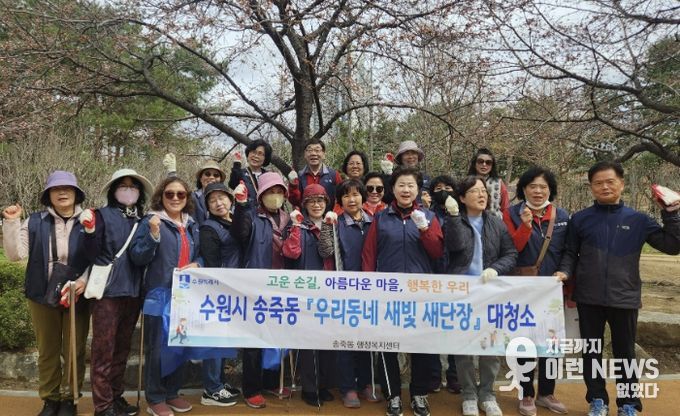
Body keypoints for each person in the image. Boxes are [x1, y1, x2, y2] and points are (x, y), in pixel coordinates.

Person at [555, 161, 680, 416]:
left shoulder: (639, 220)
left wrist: (671, 214)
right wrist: (565, 272)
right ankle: (597, 400)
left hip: (625, 297)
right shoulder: (580, 219)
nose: (605, 187)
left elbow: (672, 246)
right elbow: (570, 252)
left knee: (625, 353)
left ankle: (628, 403)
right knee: (591, 353)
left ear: (621, 184)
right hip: (588, 298)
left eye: (610, 182)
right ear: (591, 187)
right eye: (598, 183)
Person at [2, 171, 92, 416]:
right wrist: (11, 222)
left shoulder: (89, 220)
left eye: (67, 188)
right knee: (47, 349)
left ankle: (70, 398)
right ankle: (50, 399)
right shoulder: (35, 221)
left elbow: (99, 256)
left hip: (77, 293)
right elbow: (15, 255)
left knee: (74, 349)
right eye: (55, 189)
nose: (62, 192)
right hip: (41, 293)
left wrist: (84, 281)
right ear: (48, 195)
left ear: (76, 193)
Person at [362, 167, 444, 416]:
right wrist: (369, 287)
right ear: (393, 189)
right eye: (401, 185)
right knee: (387, 345)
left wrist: (425, 230)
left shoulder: (429, 216)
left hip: (421, 293)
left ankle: (419, 394)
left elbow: (437, 252)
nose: (406, 190)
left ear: (418, 189)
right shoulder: (381, 218)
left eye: (410, 185)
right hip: (388, 293)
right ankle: (393, 395)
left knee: (421, 345)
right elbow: (369, 254)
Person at [81, 168, 154, 416]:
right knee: (104, 350)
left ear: (140, 192)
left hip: (133, 291)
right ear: (113, 191)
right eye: (123, 186)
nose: (128, 190)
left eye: (133, 186)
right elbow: (91, 253)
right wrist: (89, 231)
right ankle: (103, 406)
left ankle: (115, 396)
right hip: (108, 292)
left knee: (122, 348)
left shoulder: (143, 219)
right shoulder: (101, 215)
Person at [445, 175, 517, 416]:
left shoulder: (496, 223)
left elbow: (510, 254)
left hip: (490, 293)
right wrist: (454, 217)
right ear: (462, 198)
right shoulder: (454, 220)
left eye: (484, 191)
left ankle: (487, 394)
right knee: (464, 347)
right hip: (462, 294)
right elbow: (454, 246)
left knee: (491, 345)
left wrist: (495, 269)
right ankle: (468, 394)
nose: (482, 195)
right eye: (475, 191)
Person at [129, 177, 201, 416]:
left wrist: (198, 264)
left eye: (181, 194)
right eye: (170, 194)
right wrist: (153, 234)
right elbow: (137, 256)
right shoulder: (151, 221)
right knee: (157, 348)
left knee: (180, 345)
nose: (175, 198)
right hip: (158, 294)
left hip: (185, 295)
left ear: (187, 198)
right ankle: (155, 397)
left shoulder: (192, 224)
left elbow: (200, 255)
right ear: (161, 196)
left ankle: (172, 392)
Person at [502, 167, 569, 416]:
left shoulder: (562, 216)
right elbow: (510, 249)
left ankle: (547, 393)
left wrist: (565, 271)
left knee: (552, 344)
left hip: (552, 291)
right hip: (522, 290)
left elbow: (569, 251)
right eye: (532, 186)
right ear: (524, 189)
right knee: (524, 343)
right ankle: (527, 393)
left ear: (550, 190)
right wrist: (525, 226)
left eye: (543, 187)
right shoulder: (511, 214)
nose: (538, 191)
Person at [230, 172, 292, 409]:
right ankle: (252, 389)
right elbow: (240, 233)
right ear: (261, 195)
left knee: (277, 336)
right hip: (256, 285)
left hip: (282, 285)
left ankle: (271, 382)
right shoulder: (252, 216)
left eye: (279, 192)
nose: (275, 196)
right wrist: (240, 206)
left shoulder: (289, 218)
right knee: (254, 339)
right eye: (270, 192)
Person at [319, 179, 381, 408]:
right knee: (345, 341)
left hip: (371, 290)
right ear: (340, 201)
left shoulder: (375, 221)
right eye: (346, 196)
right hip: (344, 291)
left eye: (355, 194)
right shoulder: (336, 223)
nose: (351, 199)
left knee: (367, 339)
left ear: (363, 197)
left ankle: (366, 382)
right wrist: (326, 226)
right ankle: (348, 387)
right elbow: (325, 251)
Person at [282, 184, 335, 407]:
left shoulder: (334, 224)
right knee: (308, 343)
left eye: (320, 200)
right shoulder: (298, 226)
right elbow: (290, 252)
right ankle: (310, 388)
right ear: (304, 204)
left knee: (327, 341)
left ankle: (324, 385)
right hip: (305, 292)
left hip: (331, 291)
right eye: (311, 201)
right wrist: (295, 226)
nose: (316, 205)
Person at [198, 182, 242, 408]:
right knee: (215, 338)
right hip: (219, 290)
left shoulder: (235, 221)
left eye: (222, 198)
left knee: (224, 338)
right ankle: (211, 389)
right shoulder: (209, 228)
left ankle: (220, 382)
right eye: (212, 200)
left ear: (231, 200)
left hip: (236, 288)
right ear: (207, 205)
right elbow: (212, 263)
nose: (218, 203)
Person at [425, 175, 461, 395]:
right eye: (438, 188)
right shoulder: (427, 214)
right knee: (432, 329)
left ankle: (455, 375)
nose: (443, 191)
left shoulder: (462, 214)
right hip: (432, 278)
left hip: (458, 278)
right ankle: (433, 376)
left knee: (456, 328)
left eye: (448, 187)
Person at [287, 139, 343, 207]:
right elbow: (295, 202)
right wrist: (293, 185)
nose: (313, 153)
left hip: (329, 213)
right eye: (310, 150)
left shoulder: (334, 175)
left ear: (324, 154)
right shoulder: (300, 176)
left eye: (317, 150)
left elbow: (342, 198)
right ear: (305, 154)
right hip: (306, 214)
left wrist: (335, 212)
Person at [228, 139, 273, 206]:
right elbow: (232, 184)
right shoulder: (240, 173)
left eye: (260, 154)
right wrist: (237, 164)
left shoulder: (269, 176)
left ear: (265, 158)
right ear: (248, 153)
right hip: (245, 210)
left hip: (265, 211)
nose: (256, 156)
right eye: (253, 152)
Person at [466, 148, 508, 218]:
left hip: (495, 222)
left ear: (492, 166)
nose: (484, 164)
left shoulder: (499, 183)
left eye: (488, 162)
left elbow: (505, 208)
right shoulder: (467, 182)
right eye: (480, 161)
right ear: (474, 164)